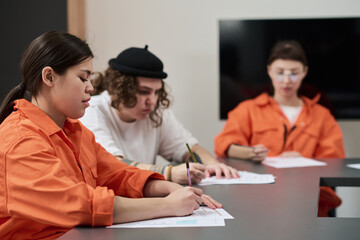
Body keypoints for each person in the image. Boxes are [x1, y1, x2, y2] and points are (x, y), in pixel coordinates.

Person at [0, 31, 221, 240]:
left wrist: (171, 189)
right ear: (49, 77)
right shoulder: (20, 140)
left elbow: (119, 174)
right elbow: (77, 206)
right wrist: (168, 205)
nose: (91, 88)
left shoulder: (77, 132)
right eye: (83, 78)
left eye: (91, 79)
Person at [214, 40, 345, 216]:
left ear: (304, 72)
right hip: (259, 202)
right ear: (269, 71)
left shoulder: (322, 116)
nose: (286, 81)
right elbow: (223, 145)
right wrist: (249, 153)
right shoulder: (248, 110)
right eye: (280, 72)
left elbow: (334, 162)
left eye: (293, 73)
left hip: (309, 205)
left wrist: (301, 163)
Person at [80, 46, 239, 185]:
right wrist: (169, 173)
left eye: (157, 92)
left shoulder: (155, 113)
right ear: (118, 87)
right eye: (144, 92)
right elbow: (113, 164)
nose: (152, 101)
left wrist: (212, 164)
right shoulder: (92, 110)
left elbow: (188, 148)